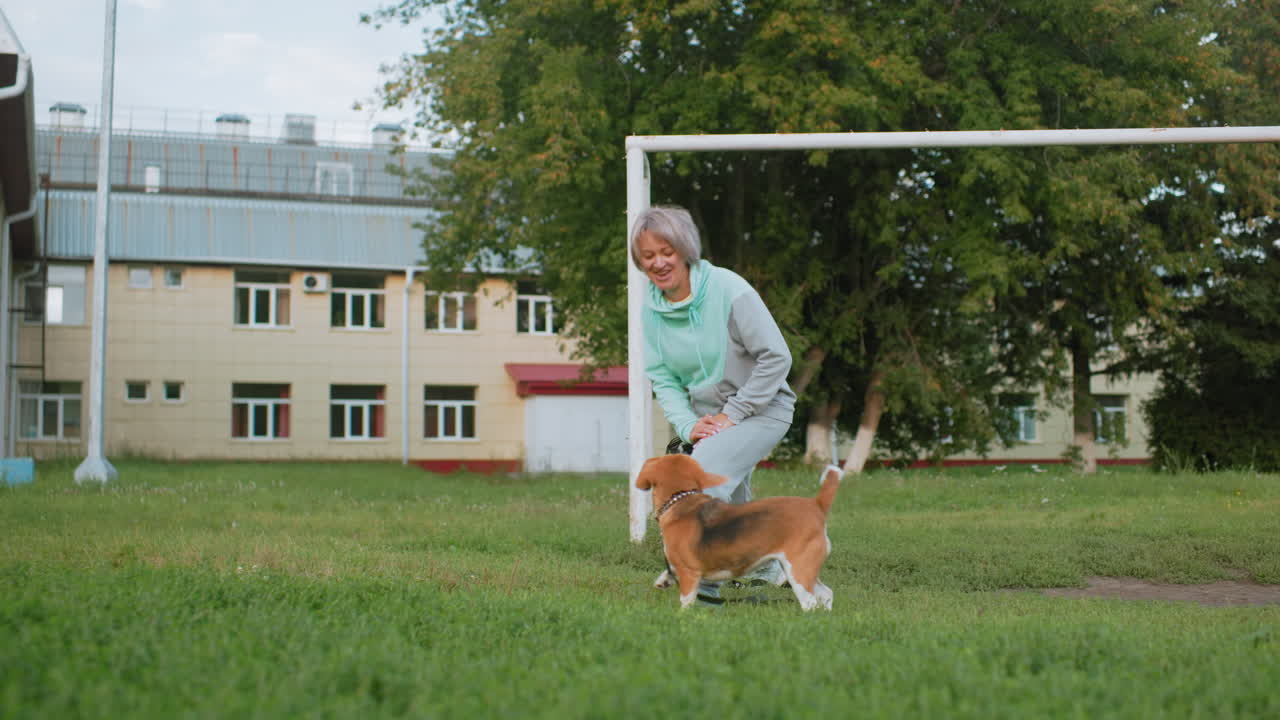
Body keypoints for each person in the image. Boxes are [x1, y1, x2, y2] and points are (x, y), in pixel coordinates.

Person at [630, 205, 796, 605]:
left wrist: (732, 414)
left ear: (684, 249)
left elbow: (777, 357)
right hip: (710, 418)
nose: (658, 263)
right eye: (648, 256)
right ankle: (772, 563)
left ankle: (701, 581)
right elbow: (663, 377)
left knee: (700, 474)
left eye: (665, 251)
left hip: (763, 406)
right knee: (729, 487)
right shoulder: (651, 312)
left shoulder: (728, 288)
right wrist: (688, 426)